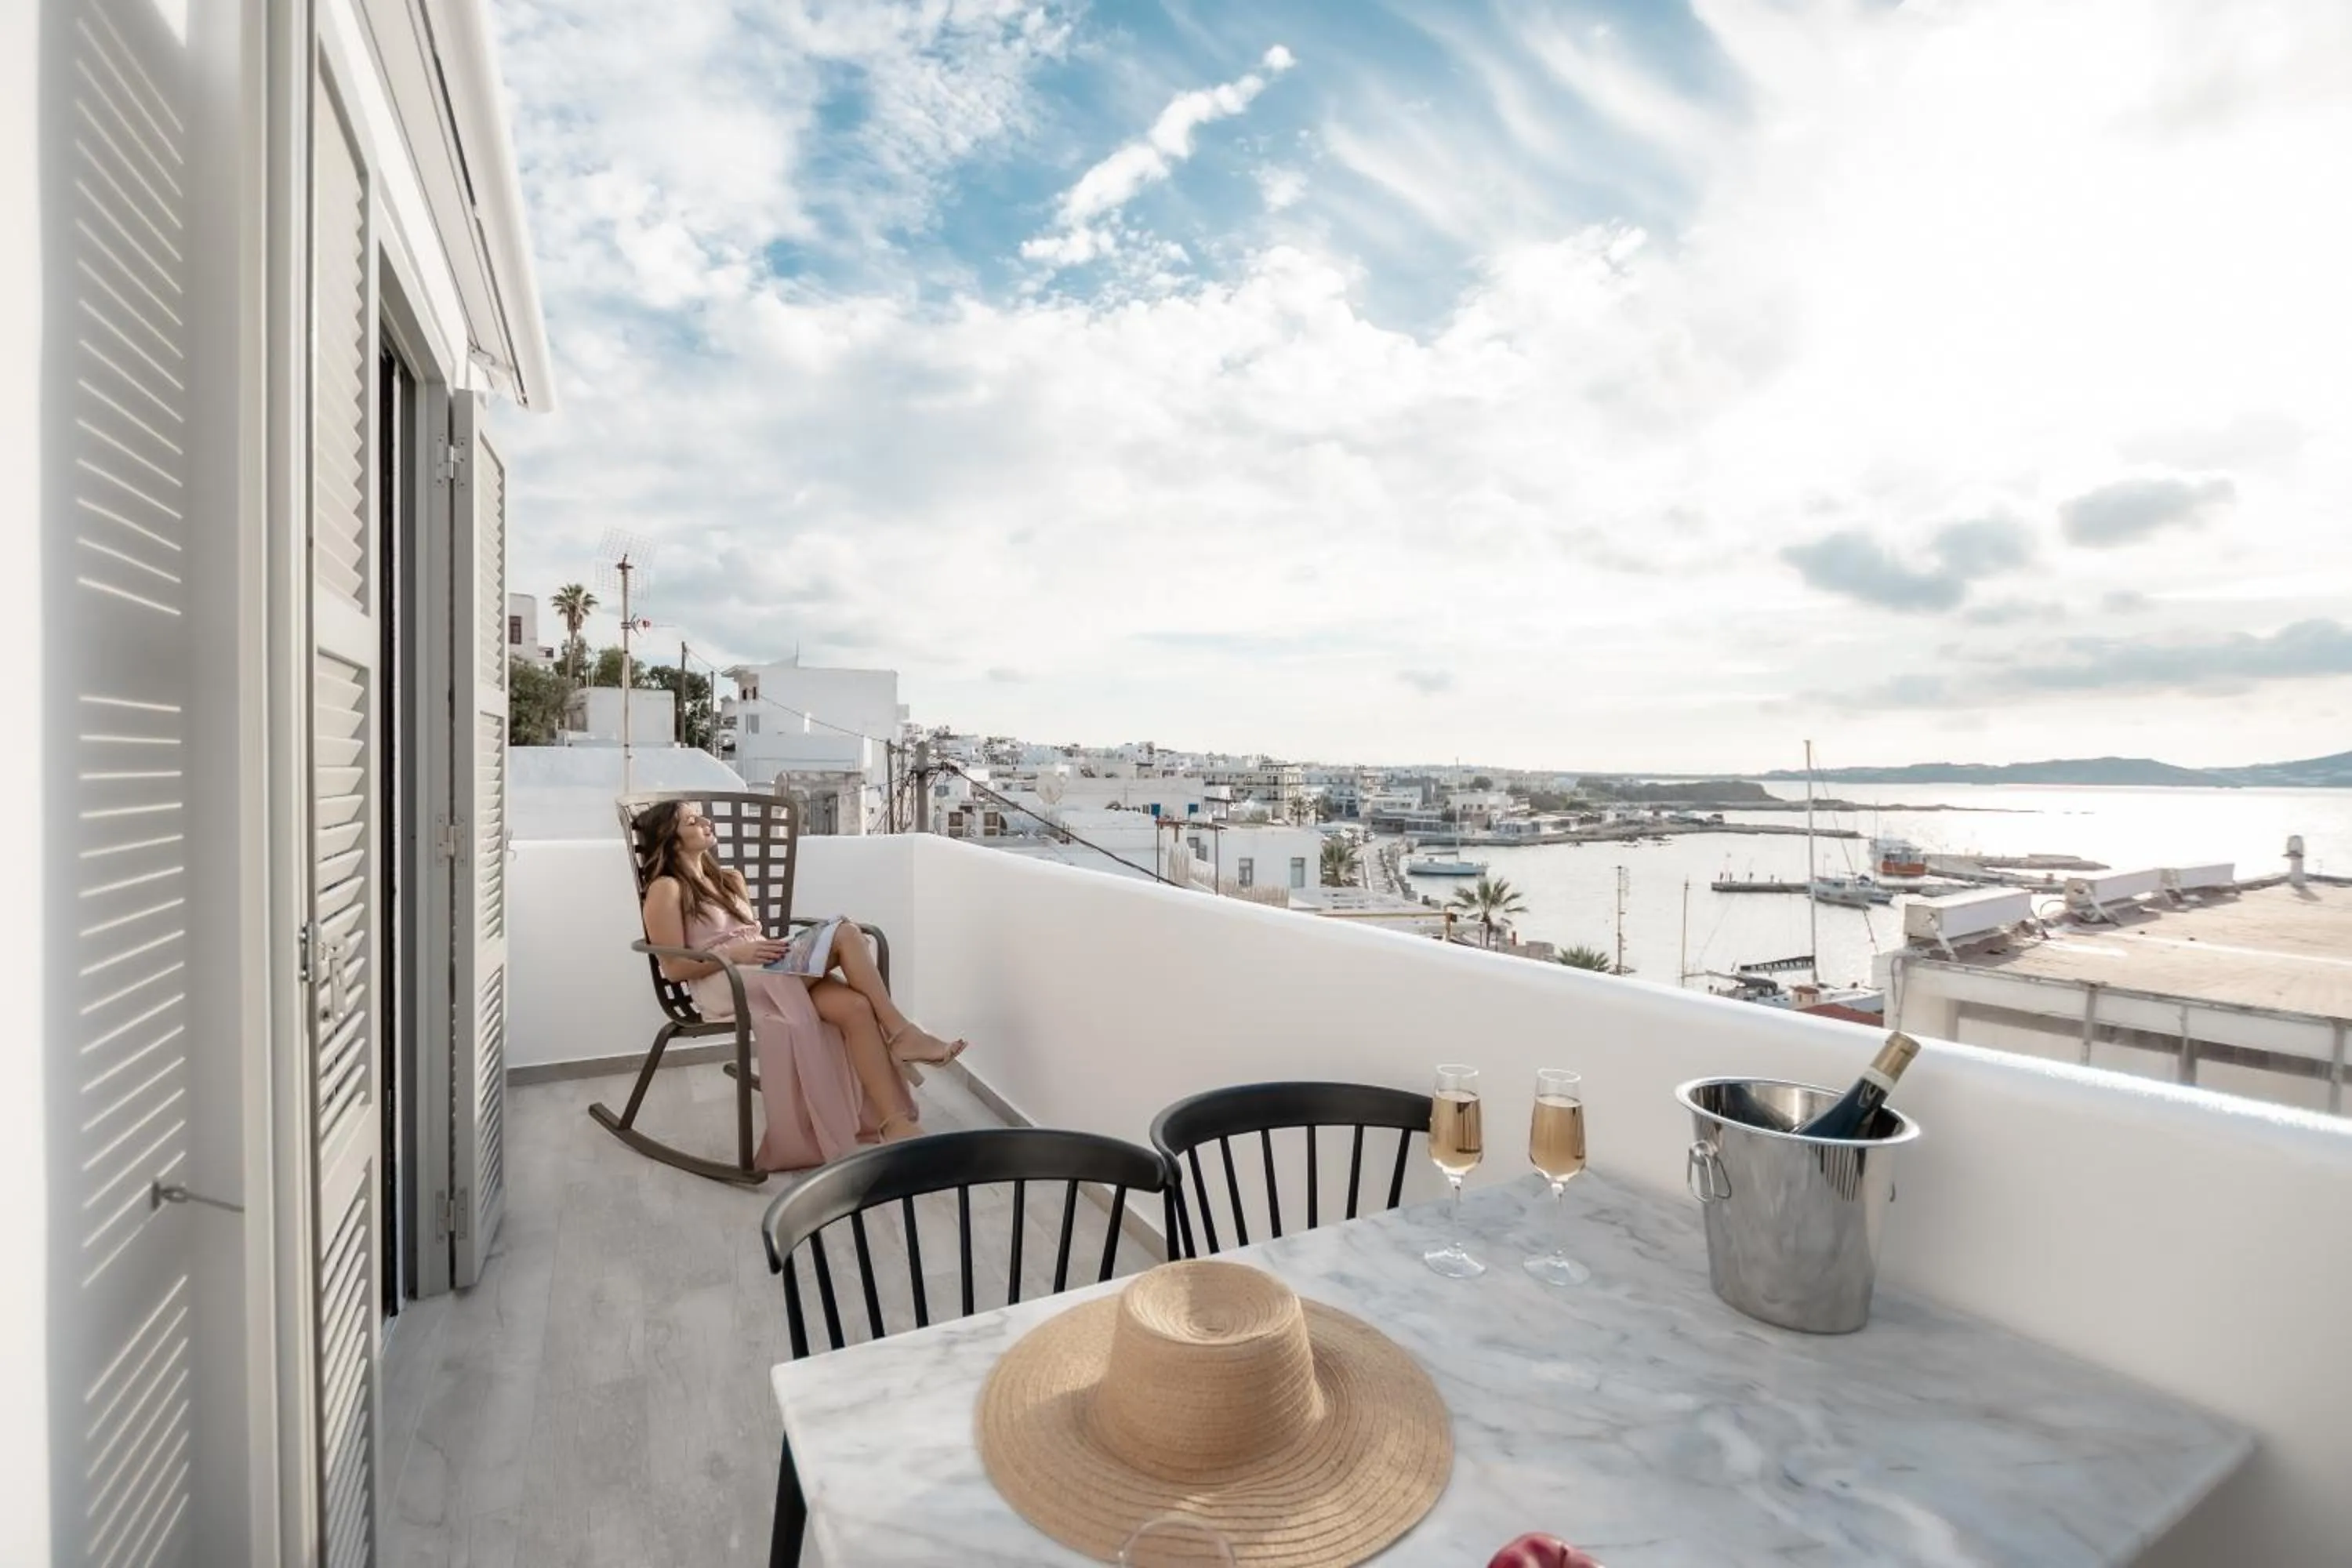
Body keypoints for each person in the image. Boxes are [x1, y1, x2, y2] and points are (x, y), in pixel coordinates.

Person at [635, 800, 969, 1167]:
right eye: (692, 821)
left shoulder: (730, 879)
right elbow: (674, 968)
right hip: (724, 980)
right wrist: (737, 955)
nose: (707, 822)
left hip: (764, 970)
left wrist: (760, 951)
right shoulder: (666, 889)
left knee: (856, 1008)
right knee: (844, 933)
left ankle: (893, 1122)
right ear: (672, 839)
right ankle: (901, 1032)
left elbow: (754, 937)